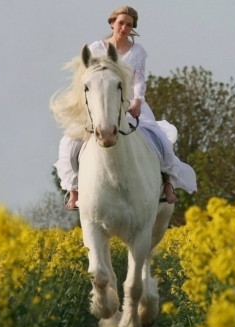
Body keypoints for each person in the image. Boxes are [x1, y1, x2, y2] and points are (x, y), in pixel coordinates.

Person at [54, 5, 197, 210]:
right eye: (121, 23)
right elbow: (88, 79)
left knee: (160, 139)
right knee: (69, 143)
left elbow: (139, 80)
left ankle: (167, 182)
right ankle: (74, 189)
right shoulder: (96, 49)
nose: (124, 28)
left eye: (129, 25)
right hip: (101, 105)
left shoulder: (138, 51)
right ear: (112, 23)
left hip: (130, 103)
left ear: (132, 28)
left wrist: (138, 100)